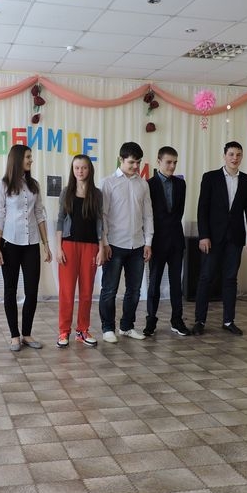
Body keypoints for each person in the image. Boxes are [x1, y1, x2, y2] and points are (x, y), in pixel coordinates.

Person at [193, 141, 247, 336]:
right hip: (212, 238)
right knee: (206, 278)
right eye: (231, 154)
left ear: (242, 157)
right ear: (224, 156)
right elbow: (202, 209)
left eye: (238, 154)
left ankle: (229, 321)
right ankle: (199, 320)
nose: (234, 158)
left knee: (230, 279)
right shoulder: (210, 177)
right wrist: (203, 235)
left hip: (235, 238)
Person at [0, 145, 51, 352]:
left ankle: (27, 333)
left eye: (31, 157)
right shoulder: (2, 185)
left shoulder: (34, 185)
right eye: (28, 157)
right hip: (9, 243)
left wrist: (46, 245)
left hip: (31, 244)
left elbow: (40, 214)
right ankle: (14, 336)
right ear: (17, 159)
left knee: (32, 291)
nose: (31, 160)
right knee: (10, 290)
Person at [98, 141, 154, 343]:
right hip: (113, 244)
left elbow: (148, 215)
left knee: (135, 291)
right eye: (131, 162)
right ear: (120, 160)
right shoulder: (107, 183)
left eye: (138, 162)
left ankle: (127, 326)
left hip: (137, 245)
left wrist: (148, 242)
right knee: (109, 290)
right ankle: (107, 328)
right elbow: (102, 216)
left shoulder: (143, 184)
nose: (135, 166)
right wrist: (104, 243)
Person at [55, 155, 105, 348]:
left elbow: (100, 222)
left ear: (89, 170)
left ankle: (82, 330)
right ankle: (63, 331)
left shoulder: (97, 194)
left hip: (90, 247)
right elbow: (60, 221)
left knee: (86, 292)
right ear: (72, 170)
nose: (80, 171)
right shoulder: (66, 192)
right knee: (66, 292)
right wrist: (58, 248)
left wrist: (101, 248)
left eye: (84, 167)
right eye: (77, 168)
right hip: (68, 245)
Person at [144, 146, 190, 337]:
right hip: (156, 241)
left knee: (176, 283)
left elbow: (178, 213)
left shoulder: (181, 184)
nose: (172, 166)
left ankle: (177, 320)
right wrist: (148, 241)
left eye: (175, 162)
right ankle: (151, 321)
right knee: (154, 282)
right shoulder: (148, 184)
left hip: (176, 240)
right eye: (168, 162)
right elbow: (147, 215)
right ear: (159, 161)